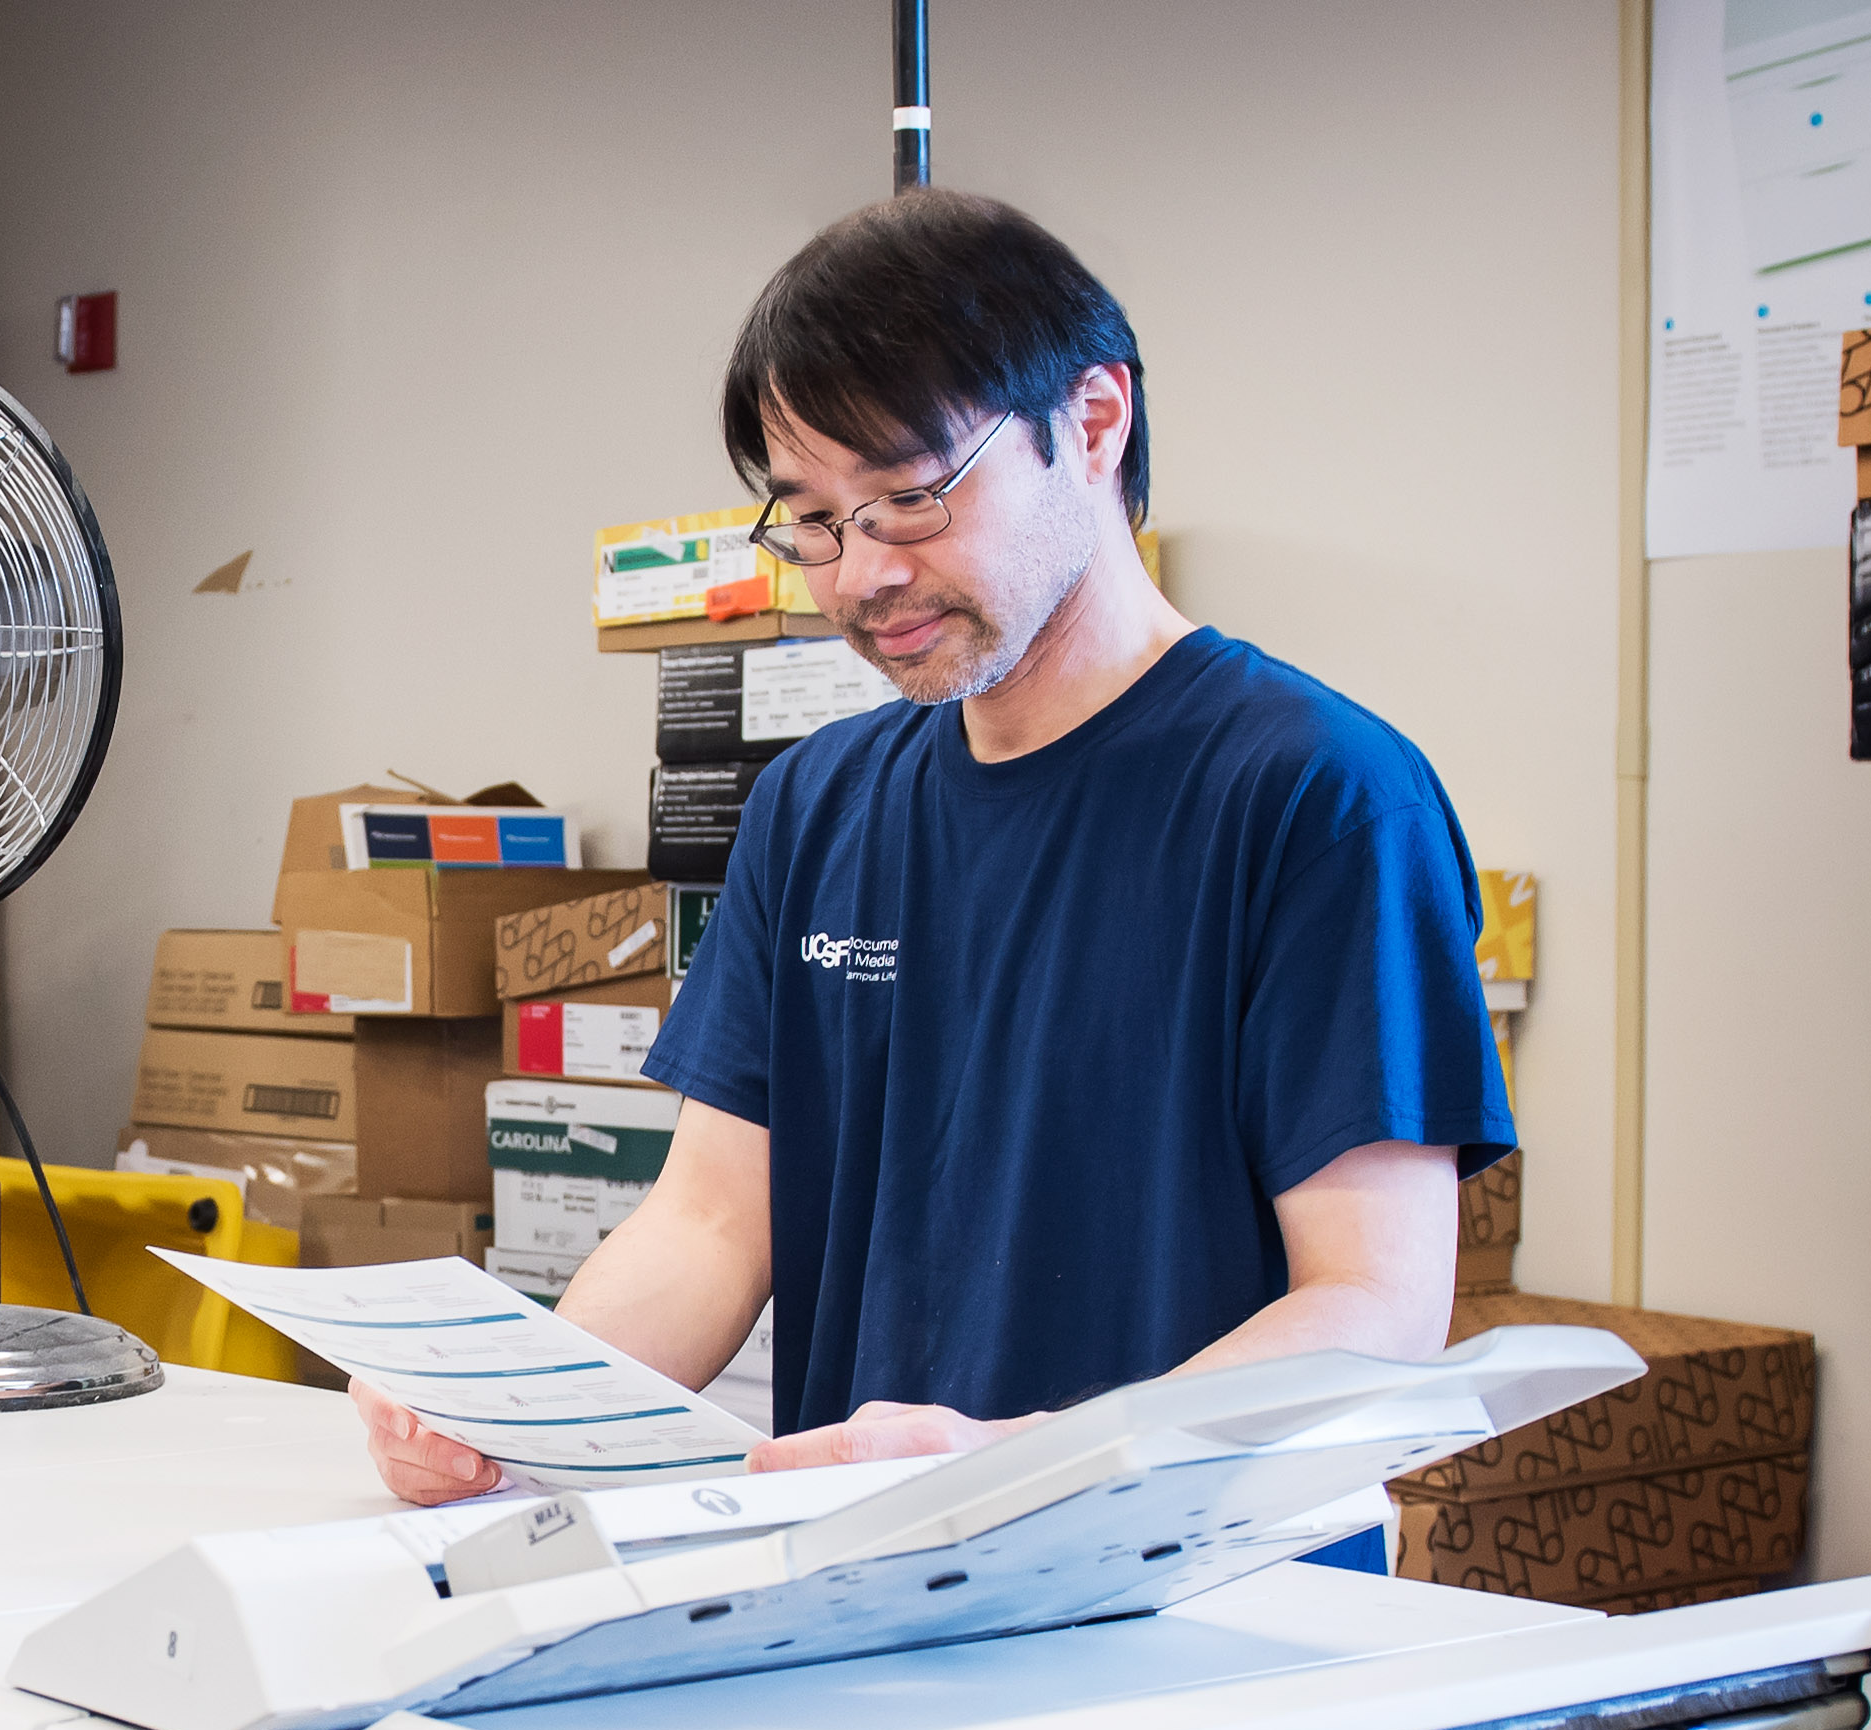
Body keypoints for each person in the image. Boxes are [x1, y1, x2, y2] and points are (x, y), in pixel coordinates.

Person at [362, 191, 1514, 1535]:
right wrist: (514, 1415)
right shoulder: (818, 804)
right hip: (870, 1599)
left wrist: (1025, 1464)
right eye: (811, 520)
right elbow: (713, 1225)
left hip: (1195, 1618)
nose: (857, 577)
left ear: (1092, 424)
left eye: (908, 499)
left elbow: (1373, 1310)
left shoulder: (1315, 794)